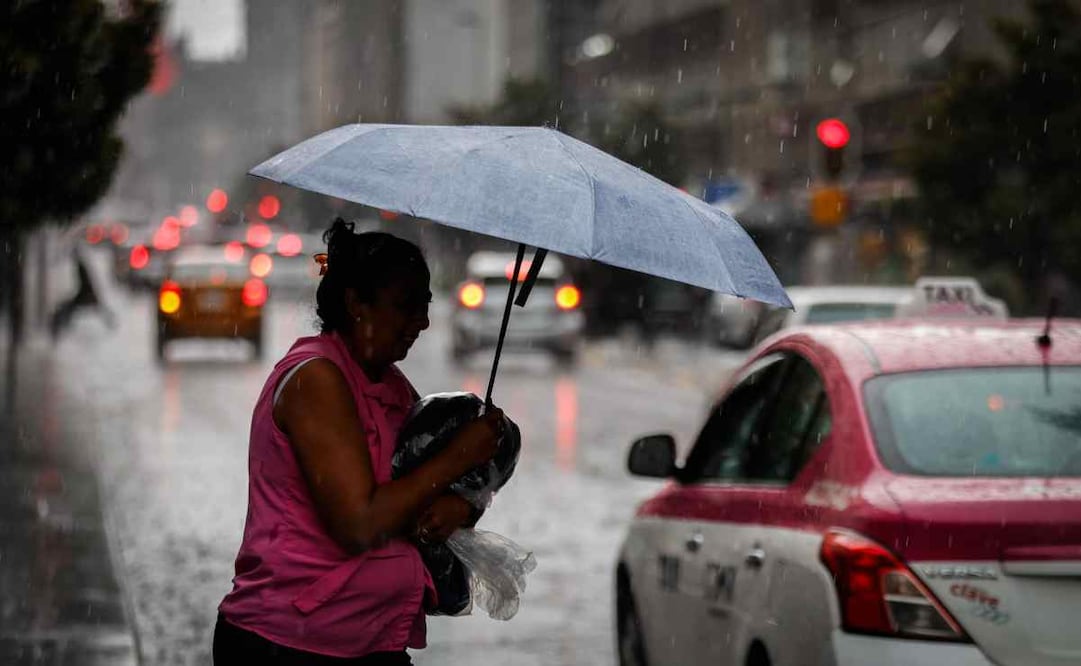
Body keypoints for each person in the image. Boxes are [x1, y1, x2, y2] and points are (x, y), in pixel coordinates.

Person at [214, 218, 504, 665]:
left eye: (426, 305)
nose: (423, 321)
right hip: (291, 645)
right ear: (355, 303)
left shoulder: (391, 385)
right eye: (406, 306)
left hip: (370, 643)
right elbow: (359, 524)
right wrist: (458, 456)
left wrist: (462, 506)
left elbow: (418, 490)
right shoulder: (316, 378)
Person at [50, 247, 115, 337]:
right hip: (86, 294)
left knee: (68, 310)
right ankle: (110, 321)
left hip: (86, 295)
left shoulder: (80, 267)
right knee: (72, 309)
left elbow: (83, 284)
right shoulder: (82, 266)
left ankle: (60, 329)